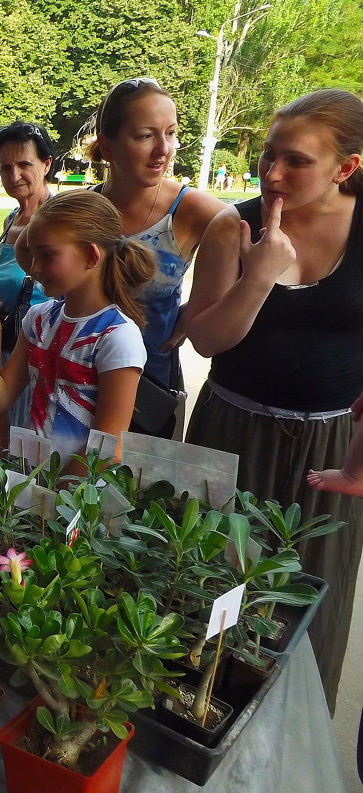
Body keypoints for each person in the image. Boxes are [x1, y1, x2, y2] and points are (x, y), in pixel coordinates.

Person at [184, 88, 363, 711]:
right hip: (232, 429)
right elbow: (205, 338)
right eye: (267, 156)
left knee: (311, 601)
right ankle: (198, 719)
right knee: (211, 587)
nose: (273, 173)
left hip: (334, 447)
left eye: (296, 161)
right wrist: (259, 275)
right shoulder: (233, 225)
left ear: (346, 167)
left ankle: (291, 741)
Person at [0, 190, 154, 469]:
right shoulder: (38, 319)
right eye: (33, 256)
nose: (33, 268)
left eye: (46, 255)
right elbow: (2, 395)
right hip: (28, 483)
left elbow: (108, 448)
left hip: (77, 500)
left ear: (91, 256)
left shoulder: (117, 337)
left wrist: (55, 493)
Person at [87, 77, 224, 393]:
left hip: (149, 394)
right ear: (107, 146)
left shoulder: (191, 209)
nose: (164, 149)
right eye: (146, 136)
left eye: (171, 134)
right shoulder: (85, 207)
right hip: (74, 383)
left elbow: (262, 250)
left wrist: (199, 308)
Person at [0, 122, 54, 430]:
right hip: (3, 346)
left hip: (37, 355)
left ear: (46, 163)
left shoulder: (58, 218)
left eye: (25, 164)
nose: (14, 176)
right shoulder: (13, 218)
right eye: (6, 167)